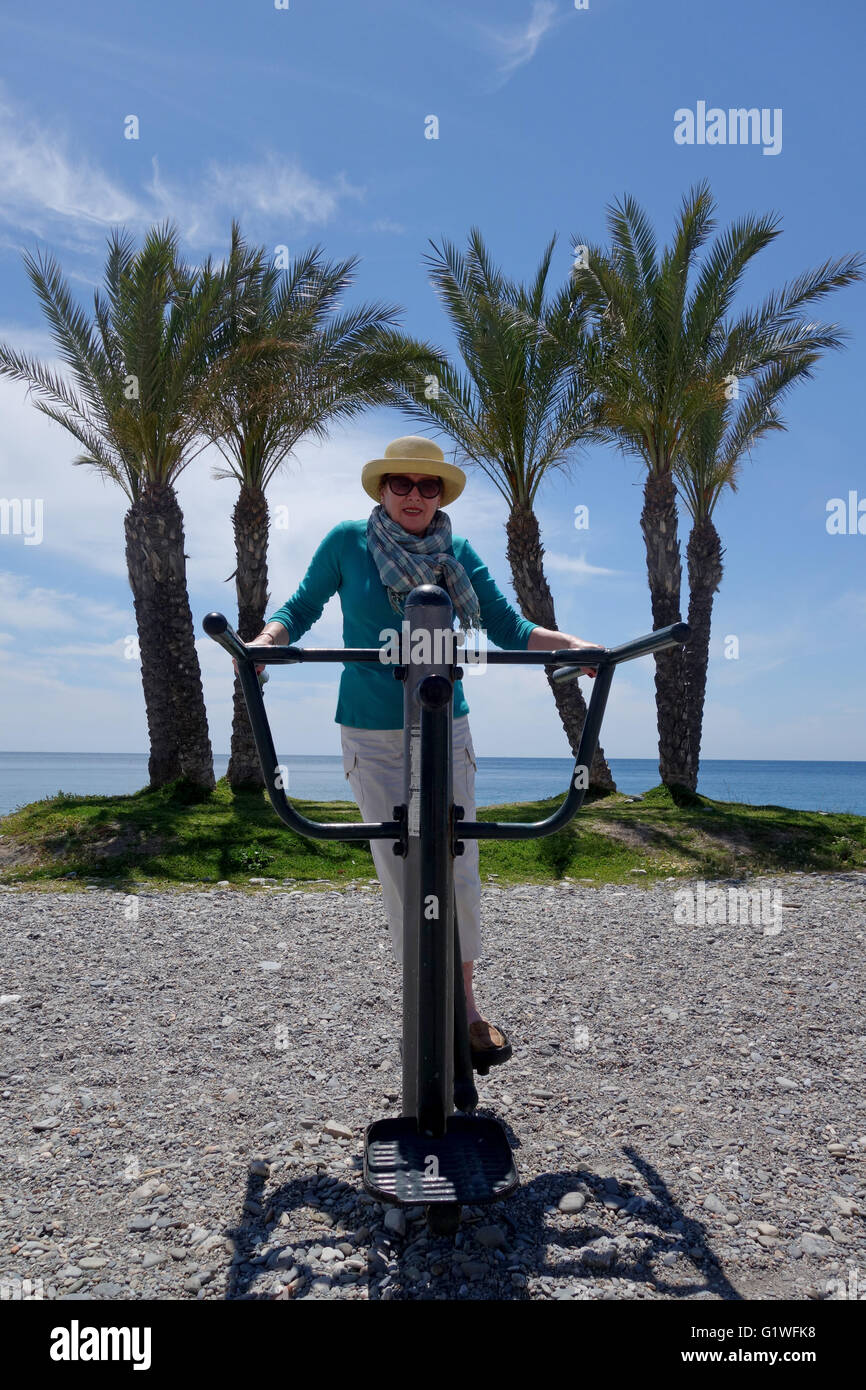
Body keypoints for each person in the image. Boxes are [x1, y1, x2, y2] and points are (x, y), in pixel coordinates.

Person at [241, 436, 601, 1071]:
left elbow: (508, 626)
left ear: (441, 496)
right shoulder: (347, 543)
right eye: (401, 484)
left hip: (443, 727)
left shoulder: (456, 553)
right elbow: (299, 608)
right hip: (372, 732)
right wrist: (265, 644)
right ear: (382, 490)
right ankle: (420, 1007)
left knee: (458, 864)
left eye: (427, 486)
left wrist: (572, 643)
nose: (413, 495)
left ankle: (463, 1009)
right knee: (403, 868)